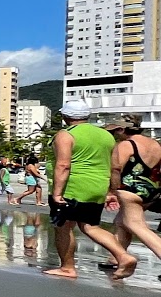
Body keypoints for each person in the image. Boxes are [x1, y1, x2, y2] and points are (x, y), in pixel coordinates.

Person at [45, 99, 135, 279]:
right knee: (91, 226)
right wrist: (111, 192)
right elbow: (115, 166)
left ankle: (67, 268)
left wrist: (57, 193)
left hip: (72, 188)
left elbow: (63, 165)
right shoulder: (106, 136)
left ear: (65, 116)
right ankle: (123, 256)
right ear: (87, 116)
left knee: (63, 226)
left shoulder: (66, 134)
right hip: (97, 187)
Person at [107, 115, 161, 269]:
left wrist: (111, 191)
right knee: (121, 222)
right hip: (151, 190)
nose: (116, 134)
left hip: (130, 190)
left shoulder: (126, 145)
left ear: (122, 129)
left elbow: (116, 169)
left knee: (135, 224)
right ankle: (115, 258)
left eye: (116, 131)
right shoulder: (155, 144)